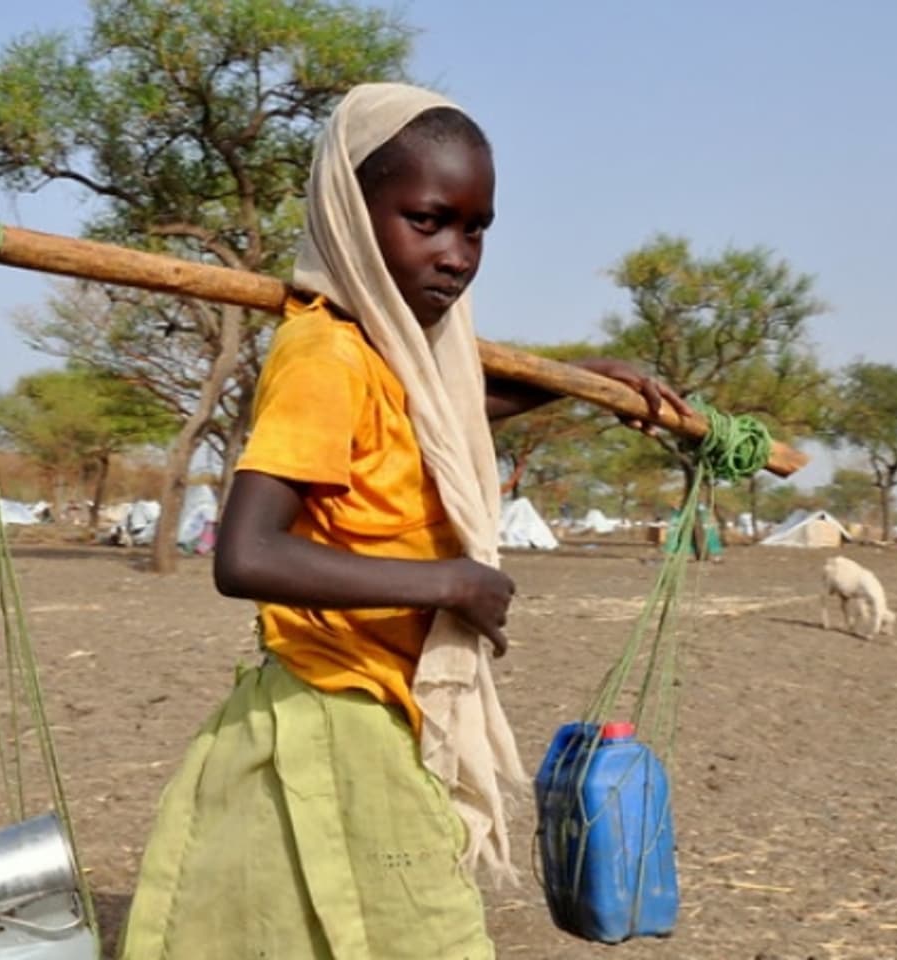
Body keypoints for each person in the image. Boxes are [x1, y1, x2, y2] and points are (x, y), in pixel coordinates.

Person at [116, 84, 689, 960]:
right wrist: (448, 582)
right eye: (427, 221)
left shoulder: (390, 351)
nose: (457, 255)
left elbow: (428, 417)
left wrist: (578, 379)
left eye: (476, 228)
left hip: (378, 697)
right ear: (351, 211)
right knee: (434, 936)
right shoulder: (324, 353)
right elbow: (246, 553)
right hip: (341, 701)